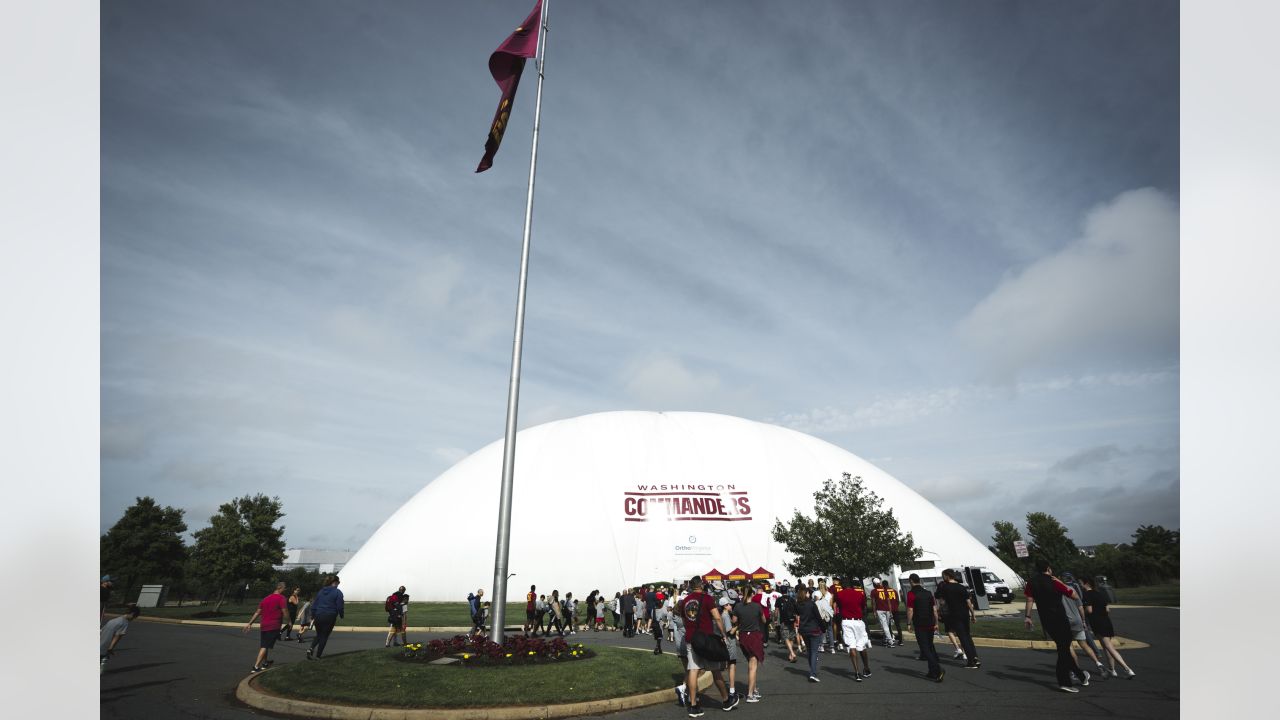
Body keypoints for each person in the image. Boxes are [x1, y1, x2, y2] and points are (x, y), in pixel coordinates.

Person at [1023, 559, 1091, 692]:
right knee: (1063, 650)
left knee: (1063, 647)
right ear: (1048, 568)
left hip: (1046, 621)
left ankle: (1081, 676)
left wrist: (1028, 616)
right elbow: (1074, 595)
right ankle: (1064, 682)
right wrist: (1061, 582)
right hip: (1060, 618)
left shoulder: (1032, 582)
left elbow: (1029, 599)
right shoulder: (1054, 582)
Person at [679, 575, 734, 716]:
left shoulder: (684, 601)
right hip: (706, 638)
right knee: (715, 670)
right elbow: (717, 617)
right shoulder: (708, 599)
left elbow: (685, 621)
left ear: (691, 586)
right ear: (702, 585)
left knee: (693, 670)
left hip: (692, 638)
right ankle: (726, 699)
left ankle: (693, 705)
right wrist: (723, 634)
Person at [1080, 576, 1136, 679]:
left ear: (1086, 583)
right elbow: (1107, 609)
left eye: (1081, 583)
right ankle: (1112, 670)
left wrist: (1083, 611)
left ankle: (1127, 669)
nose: (1080, 585)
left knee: (1109, 647)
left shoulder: (1087, 595)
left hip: (1098, 623)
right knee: (1106, 647)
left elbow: (1089, 610)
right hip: (1106, 621)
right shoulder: (1100, 593)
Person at [1061, 572, 1106, 676]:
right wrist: (1083, 620)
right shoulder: (1073, 590)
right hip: (1078, 620)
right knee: (1084, 644)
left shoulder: (1057, 592)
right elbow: (1081, 607)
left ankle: (1075, 670)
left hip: (1066, 621)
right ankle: (1098, 663)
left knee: (1068, 647)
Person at [936, 569, 980, 669]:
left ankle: (971, 662)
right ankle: (975, 658)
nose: (943, 578)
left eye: (943, 576)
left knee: (963, 637)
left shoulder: (945, 588)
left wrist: (939, 612)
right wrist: (973, 615)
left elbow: (941, 601)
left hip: (954, 615)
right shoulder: (961, 587)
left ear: (947, 576)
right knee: (968, 636)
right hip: (965, 614)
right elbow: (968, 602)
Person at [831, 576, 871, 681]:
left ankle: (857, 672)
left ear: (842, 586)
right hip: (858, 620)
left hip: (846, 621)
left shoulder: (839, 594)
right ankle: (866, 668)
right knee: (862, 645)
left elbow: (837, 605)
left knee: (851, 646)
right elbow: (863, 607)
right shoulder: (859, 594)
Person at [905, 574, 944, 682]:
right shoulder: (928, 593)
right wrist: (936, 623)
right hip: (930, 622)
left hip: (920, 623)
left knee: (924, 648)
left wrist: (908, 623)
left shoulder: (911, 594)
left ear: (911, 581)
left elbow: (910, 610)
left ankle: (937, 669)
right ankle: (931, 671)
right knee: (930, 645)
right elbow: (934, 610)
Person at [244, 582, 289, 673]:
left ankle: (265, 663)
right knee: (265, 646)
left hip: (264, 625)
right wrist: (289, 621)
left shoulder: (266, 598)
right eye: (285, 588)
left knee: (265, 644)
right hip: (273, 625)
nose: (285, 590)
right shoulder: (281, 598)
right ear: (280, 588)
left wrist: (250, 623)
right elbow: (285, 611)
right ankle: (256, 666)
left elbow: (257, 612)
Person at [731, 586, 766, 702]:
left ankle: (754, 689)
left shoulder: (738, 606)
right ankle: (750, 695)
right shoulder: (757, 606)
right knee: (753, 666)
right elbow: (764, 620)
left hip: (743, 637)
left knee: (751, 662)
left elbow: (734, 620)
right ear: (752, 594)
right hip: (754, 636)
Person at [308, 575, 345, 660]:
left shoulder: (321, 591)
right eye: (338, 582)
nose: (339, 584)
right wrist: (341, 614)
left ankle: (310, 649)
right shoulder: (337, 592)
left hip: (318, 615)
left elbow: (314, 605)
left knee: (319, 634)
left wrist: (313, 615)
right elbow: (340, 606)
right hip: (329, 615)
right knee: (324, 636)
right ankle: (318, 656)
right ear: (335, 583)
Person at [794, 585, 826, 683]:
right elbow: (818, 617)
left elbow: (797, 615)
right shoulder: (811, 604)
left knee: (810, 651)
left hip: (804, 629)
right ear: (806, 593)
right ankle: (813, 673)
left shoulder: (797, 604)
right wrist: (823, 628)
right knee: (814, 651)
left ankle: (812, 671)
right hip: (814, 629)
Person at [100, 603, 140, 673]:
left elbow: (102, 630)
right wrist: (110, 648)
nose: (133, 619)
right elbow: (117, 636)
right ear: (132, 614)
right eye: (134, 617)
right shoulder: (124, 623)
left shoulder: (115, 620)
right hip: (104, 646)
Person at [717, 593, 741, 704]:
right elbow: (730, 631)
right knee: (732, 665)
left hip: (727, 642)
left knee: (730, 665)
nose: (731, 606)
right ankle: (732, 690)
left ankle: (731, 689)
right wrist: (738, 625)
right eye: (729, 604)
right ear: (725, 606)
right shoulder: (726, 616)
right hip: (730, 643)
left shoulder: (724, 615)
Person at [872, 579, 896, 648]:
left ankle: (890, 641)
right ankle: (885, 640)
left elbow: (873, 603)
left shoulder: (874, 591)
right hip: (887, 610)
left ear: (874, 584)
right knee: (886, 626)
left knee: (884, 626)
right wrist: (890, 610)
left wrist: (874, 611)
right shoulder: (885, 590)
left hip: (880, 609)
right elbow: (889, 601)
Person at [886, 581, 904, 645]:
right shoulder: (894, 591)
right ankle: (901, 640)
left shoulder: (885, 592)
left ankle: (891, 638)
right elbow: (897, 601)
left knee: (888, 625)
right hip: (896, 609)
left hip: (889, 610)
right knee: (898, 625)